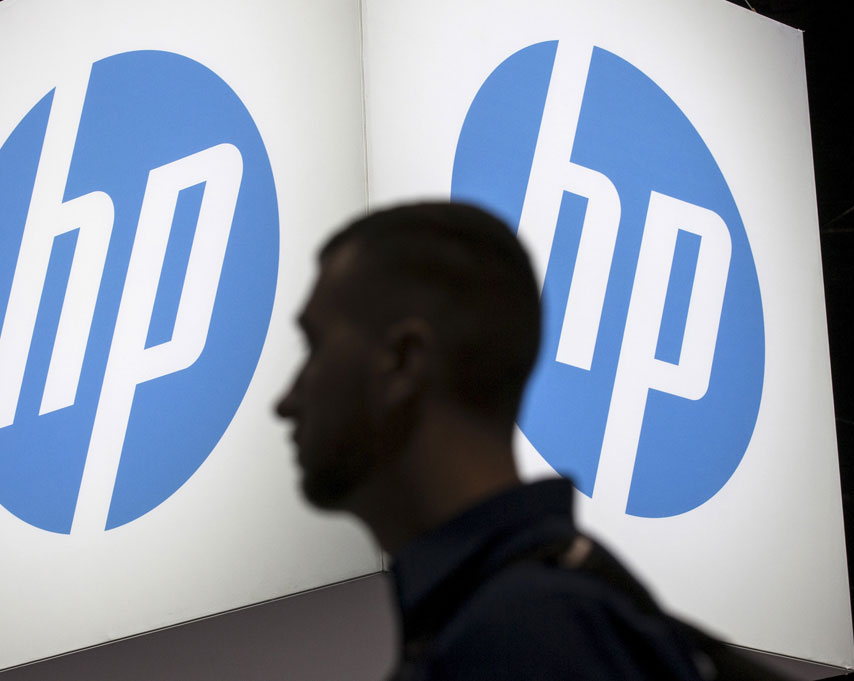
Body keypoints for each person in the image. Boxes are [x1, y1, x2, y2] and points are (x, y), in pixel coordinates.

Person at [275, 201, 720, 680]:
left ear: (403, 361)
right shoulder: (523, 616)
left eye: (314, 346)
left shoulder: (522, 638)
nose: (285, 402)